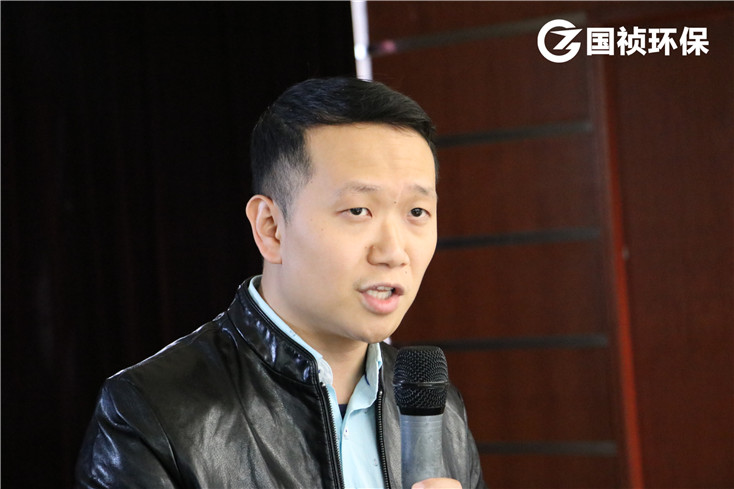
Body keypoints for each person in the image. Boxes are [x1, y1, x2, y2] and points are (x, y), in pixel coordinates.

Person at [75, 77, 486, 489]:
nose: (393, 252)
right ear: (271, 228)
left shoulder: (438, 408)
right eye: (358, 210)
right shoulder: (150, 413)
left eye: (416, 212)